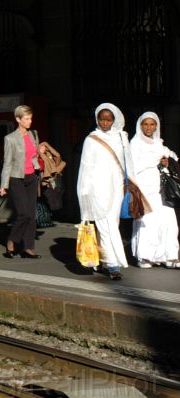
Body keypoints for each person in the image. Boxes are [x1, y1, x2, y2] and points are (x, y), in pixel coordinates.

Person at [77, 103, 131, 281]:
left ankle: (99, 259)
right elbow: (85, 168)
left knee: (111, 225)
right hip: (97, 190)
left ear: (114, 120)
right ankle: (113, 265)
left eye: (108, 119)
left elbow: (127, 164)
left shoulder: (121, 138)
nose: (105, 123)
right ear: (97, 120)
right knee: (106, 226)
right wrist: (84, 194)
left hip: (117, 189)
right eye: (102, 119)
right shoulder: (91, 139)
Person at [130, 111, 180, 268]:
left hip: (161, 190)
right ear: (140, 125)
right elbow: (132, 166)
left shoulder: (159, 143)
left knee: (168, 222)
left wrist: (167, 162)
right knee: (147, 223)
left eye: (152, 124)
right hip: (144, 189)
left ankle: (169, 256)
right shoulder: (135, 143)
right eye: (145, 124)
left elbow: (173, 158)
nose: (149, 127)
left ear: (156, 126)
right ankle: (145, 257)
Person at [0, 105, 42, 259]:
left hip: (31, 178)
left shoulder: (33, 134)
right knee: (23, 213)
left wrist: (39, 152)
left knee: (31, 214)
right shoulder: (10, 139)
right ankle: (11, 240)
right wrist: (3, 185)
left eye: (31, 118)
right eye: (27, 119)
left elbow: (33, 154)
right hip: (16, 178)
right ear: (18, 119)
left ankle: (28, 248)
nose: (30, 121)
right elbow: (7, 163)